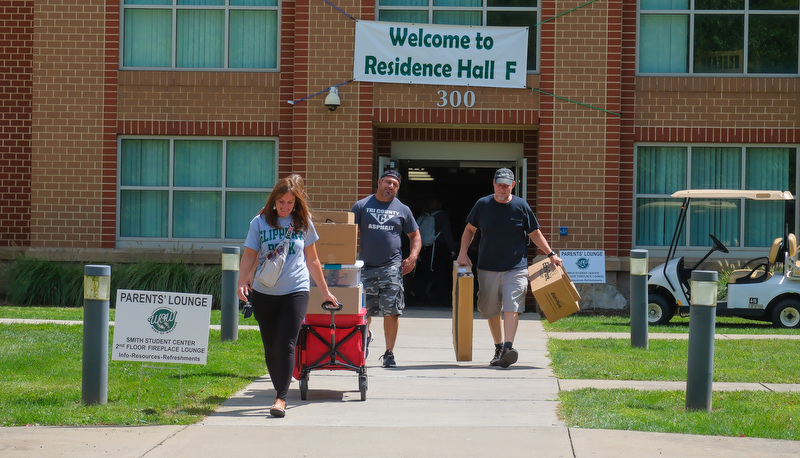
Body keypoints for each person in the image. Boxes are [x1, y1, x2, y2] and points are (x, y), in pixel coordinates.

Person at [237, 175, 338, 418]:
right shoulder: (259, 223)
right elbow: (250, 254)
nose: (285, 206)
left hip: (296, 290)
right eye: (281, 201)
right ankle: (278, 390)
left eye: (290, 202)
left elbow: (312, 260)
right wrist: (241, 281)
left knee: (286, 342)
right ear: (274, 201)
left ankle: (280, 398)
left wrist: (325, 291)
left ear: (296, 203)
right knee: (271, 346)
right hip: (264, 291)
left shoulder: (303, 223)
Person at [456, 168, 563, 368]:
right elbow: (469, 230)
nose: (502, 188)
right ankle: (498, 347)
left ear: (512, 185)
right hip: (487, 267)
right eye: (499, 184)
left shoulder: (521, 206)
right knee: (490, 310)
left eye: (506, 185)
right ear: (493, 184)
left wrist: (551, 254)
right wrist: (463, 252)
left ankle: (508, 347)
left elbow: (534, 233)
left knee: (511, 306)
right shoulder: (482, 205)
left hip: (516, 267)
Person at [351, 169, 421, 368]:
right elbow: (347, 231)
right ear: (379, 182)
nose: (391, 187)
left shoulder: (403, 209)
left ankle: (389, 352)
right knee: (364, 311)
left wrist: (412, 257)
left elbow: (415, 235)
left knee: (392, 310)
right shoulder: (362, 205)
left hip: (391, 267)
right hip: (365, 267)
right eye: (388, 182)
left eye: (395, 185)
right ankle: (362, 344)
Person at [413, 197, 457, 305]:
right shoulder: (441, 216)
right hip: (438, 248)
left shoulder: (423, 215)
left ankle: (418, 295)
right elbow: (446, 233)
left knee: (424, 272)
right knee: (440, 273)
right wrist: (452, 248)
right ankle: (440, 298)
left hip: (424, 247)